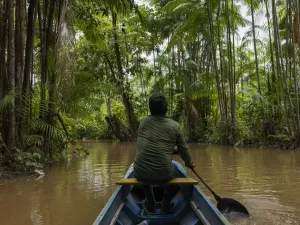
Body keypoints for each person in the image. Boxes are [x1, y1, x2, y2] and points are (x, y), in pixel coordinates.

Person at [134, 93, 195, 214]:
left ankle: (151, 204)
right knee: (176, 171)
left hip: (140, 173)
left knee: (143, 169)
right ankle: (165, 204)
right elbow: (183, 149)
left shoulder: (143, 122)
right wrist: (189, 163)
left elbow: (152, 144)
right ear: (166, 108)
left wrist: (171, 150)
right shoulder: (175, 126)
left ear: (150, 108)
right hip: (165, 174)